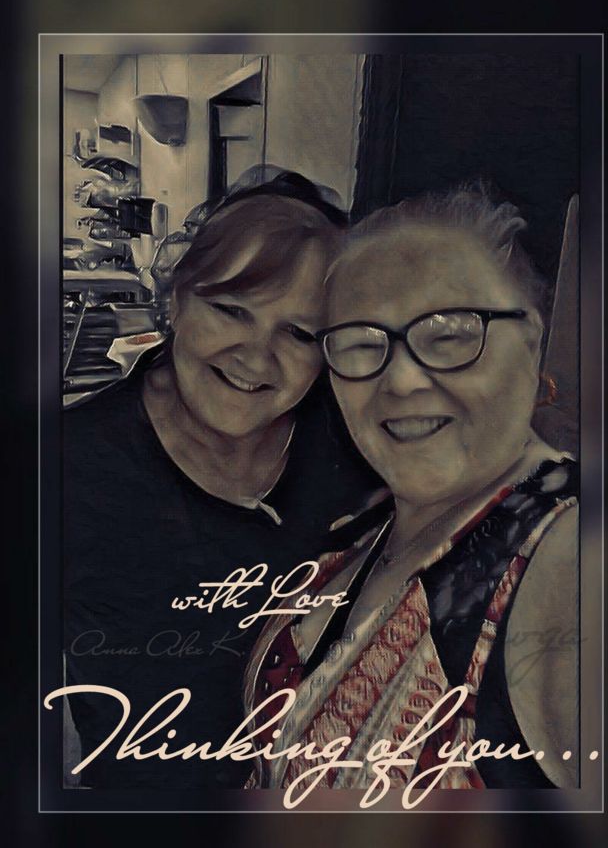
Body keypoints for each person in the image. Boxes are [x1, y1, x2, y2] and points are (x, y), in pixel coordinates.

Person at [244, 184, 579, 795]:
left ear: (532, 341)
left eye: (449, 334)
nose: (399, 380)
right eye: (360, 343)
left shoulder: (573, 555)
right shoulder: (362, 534)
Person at [63, 169, 380, 790]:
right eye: (231, 309)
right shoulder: (67, 467)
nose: (256, 357)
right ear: (176, 299)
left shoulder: (356, 445)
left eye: (299, 333)